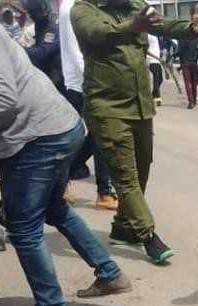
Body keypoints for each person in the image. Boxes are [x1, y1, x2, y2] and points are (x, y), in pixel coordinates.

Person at [0, 11, 131, 306]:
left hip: (38, 134)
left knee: (23, 227)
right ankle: (110, 273)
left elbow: (1, 96)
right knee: (54, 209)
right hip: (54, 126)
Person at [73, 0, 198, 264]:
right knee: (126, 177)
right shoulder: (84, 9)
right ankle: (148, 236)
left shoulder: (135, 4)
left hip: (139, 104)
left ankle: (124, 227)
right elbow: (96, 33)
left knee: (142, 168)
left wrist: (191, 28)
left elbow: (163, 24)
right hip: (107, 107)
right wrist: (132, 25)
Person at [57, 0, 118, 211]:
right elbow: (77, 52)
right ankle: (104, 191)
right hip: (84, 84)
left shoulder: (86, 5)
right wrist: (95, 82)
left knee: (97, 138)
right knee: (101, 137)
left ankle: (62, 182)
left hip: (89, 82)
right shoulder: (72, 7)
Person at [176, 28, 198, 109]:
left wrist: (174, 57)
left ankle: (191, 102)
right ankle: (194, 99)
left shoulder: (182, 39)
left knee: (187, 83)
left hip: (185, 62)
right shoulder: (195, 39)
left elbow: (180, 51)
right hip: (193, 62)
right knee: (194, 82)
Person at [147, 33, 164, 106]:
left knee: (160, 79)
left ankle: (152, 95)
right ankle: (157, 97)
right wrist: (156, 57)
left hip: (157, 60)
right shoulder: (147, 35)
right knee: (156, 78)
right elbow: (146, 50)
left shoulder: (156, 35)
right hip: (151, 60)